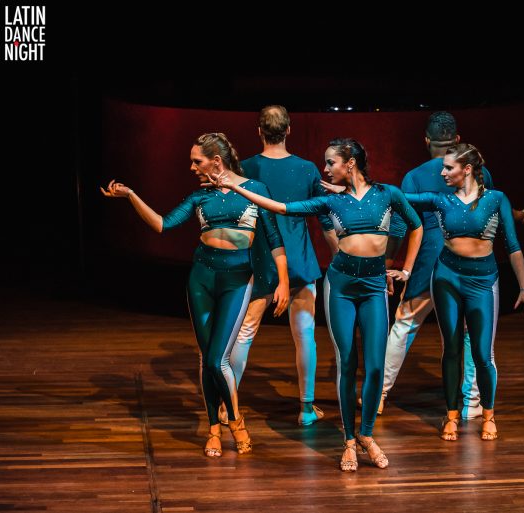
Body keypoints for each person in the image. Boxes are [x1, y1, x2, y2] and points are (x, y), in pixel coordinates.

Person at [207, 138, 423, 472]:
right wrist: (236, 187)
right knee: (347, 362)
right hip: (341, 287)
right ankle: (350, 441)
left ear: (349, 163)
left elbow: (417, 224)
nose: (324, 169)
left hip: (374, 286)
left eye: (330, 163)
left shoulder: (388, 194)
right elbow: (281, 208)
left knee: (376, 365)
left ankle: (367, 435)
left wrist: (406, 269)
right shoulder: (329, 202)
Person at [100, 132, 288, 457]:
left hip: (237, 279)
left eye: (196, 160)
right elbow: (161, 224)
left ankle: (236, 422)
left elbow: (274, 239)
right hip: (202, 278)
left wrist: (283, 282)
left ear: (217, 161)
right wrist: (131, 195)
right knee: (206, 360)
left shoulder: (256, 191)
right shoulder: (199, 198)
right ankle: (213, 429)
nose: (191, 167)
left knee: (218, 360)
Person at [382, 111, 524, 420]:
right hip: (470, 266)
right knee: (470, 333)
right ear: (455, 140)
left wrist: (387, 265)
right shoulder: (479, 172)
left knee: (404, 325)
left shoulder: (414, 176)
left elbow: (399, 227)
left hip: (430, 263)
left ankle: (379, 394)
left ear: (426, 141)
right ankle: (471, 401)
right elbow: (495, 211)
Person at [223, 105, 338, 427]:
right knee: (305, 336)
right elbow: (325, 218)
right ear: (289, 130)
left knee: (244, 335)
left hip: (260, 261)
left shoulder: (243, 168)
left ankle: (226, 406)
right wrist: (338, 254)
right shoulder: (306, 169)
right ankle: (305, 408)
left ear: (259, 131)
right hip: (300, 261)